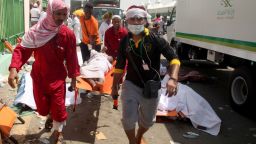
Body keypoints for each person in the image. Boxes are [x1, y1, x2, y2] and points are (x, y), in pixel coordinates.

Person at [8, 0, 80, 143]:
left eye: (64, 14)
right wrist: (13, 69)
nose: (61, 17)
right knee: (42, 109)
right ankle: (49, 116)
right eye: (58, 14)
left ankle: (57, 133)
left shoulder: (68, 34)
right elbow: (22, 50)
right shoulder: (36, 31)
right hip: (39, 78)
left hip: (58, 79)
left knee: (58, 109)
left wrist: (73, 77)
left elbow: (72, 58)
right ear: (50, 13)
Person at [111, 5, 180, 144]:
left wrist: (173, 78)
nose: (136, 22)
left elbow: (174, 58)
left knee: (148, 121)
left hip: (151, 87)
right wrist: (114, 86)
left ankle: (138, 136)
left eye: (139, 19)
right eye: (132, 19)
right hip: (131, 84)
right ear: (127, 21)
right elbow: (119, 65)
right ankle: (133, 142)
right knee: (128, 119)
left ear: (145, 21)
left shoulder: (155, 39)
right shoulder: (125, 41)